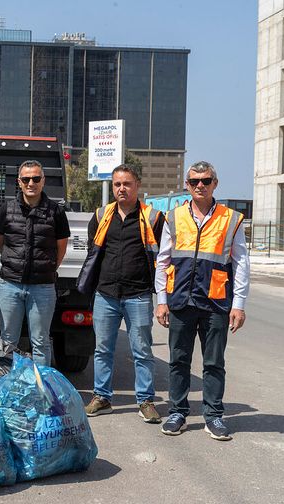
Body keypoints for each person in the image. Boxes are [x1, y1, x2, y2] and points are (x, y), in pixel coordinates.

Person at [155, 161, 249, 441]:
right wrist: (162, 300)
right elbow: (162, 261)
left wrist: (239, 304)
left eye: (206, 181)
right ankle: (178, 412)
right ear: (187, 184)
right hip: (181, 300)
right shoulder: (173, 217)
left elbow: (241, 263)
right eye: (194, 180)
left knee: (214, 362)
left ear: (215, 184)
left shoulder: (231, 219)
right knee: (178, 360)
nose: (200, 185)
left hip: (216, 302)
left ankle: (214, 416)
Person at [77, 164, 165, 423]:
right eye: (117, 184)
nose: (121, 188)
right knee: (102, 349)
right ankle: (102, 397)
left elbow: (164, 256)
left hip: (138, 295)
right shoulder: (102, 215)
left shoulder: (153, 218)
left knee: (142, 350)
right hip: (106, 294)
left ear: (137, 185)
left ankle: (145, 400)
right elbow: (94, 253)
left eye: (126, 183)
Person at [0, 160, 70, 366]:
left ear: (43, 181)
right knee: (8, 340)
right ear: (19, 182)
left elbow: (61, 247)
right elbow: (2, 243)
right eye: (26, 179)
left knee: (41, 341)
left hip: (43, 287)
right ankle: (7, 389)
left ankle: (40, 391)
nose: (31, 183)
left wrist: (47, 268)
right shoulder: (6, 209)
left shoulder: (56, 212)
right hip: (10, 284)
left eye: (36, 179)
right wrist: (15, 263)